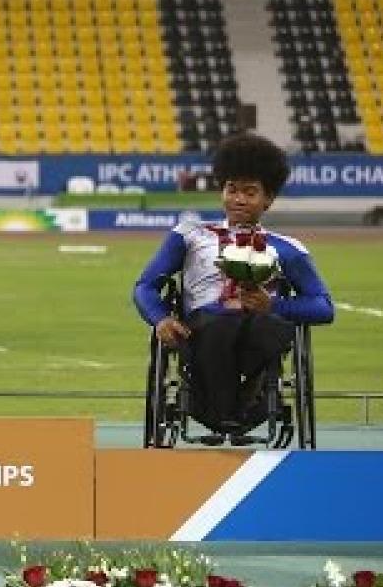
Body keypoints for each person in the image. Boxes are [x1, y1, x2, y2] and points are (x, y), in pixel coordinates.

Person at [132, 132, 334, 433]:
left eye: (250, 192)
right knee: (219, 324)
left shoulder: (288, 248)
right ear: (222, 190)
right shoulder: (189, 235)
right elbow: (145, 286)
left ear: (268, 199)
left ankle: (235, 403)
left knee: (265, 326)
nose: (238, 199)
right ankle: (235, 407)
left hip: (261, 331)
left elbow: (324, 307)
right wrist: (161, 319)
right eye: (231, 189)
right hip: (203, 330)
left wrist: (274, 304)